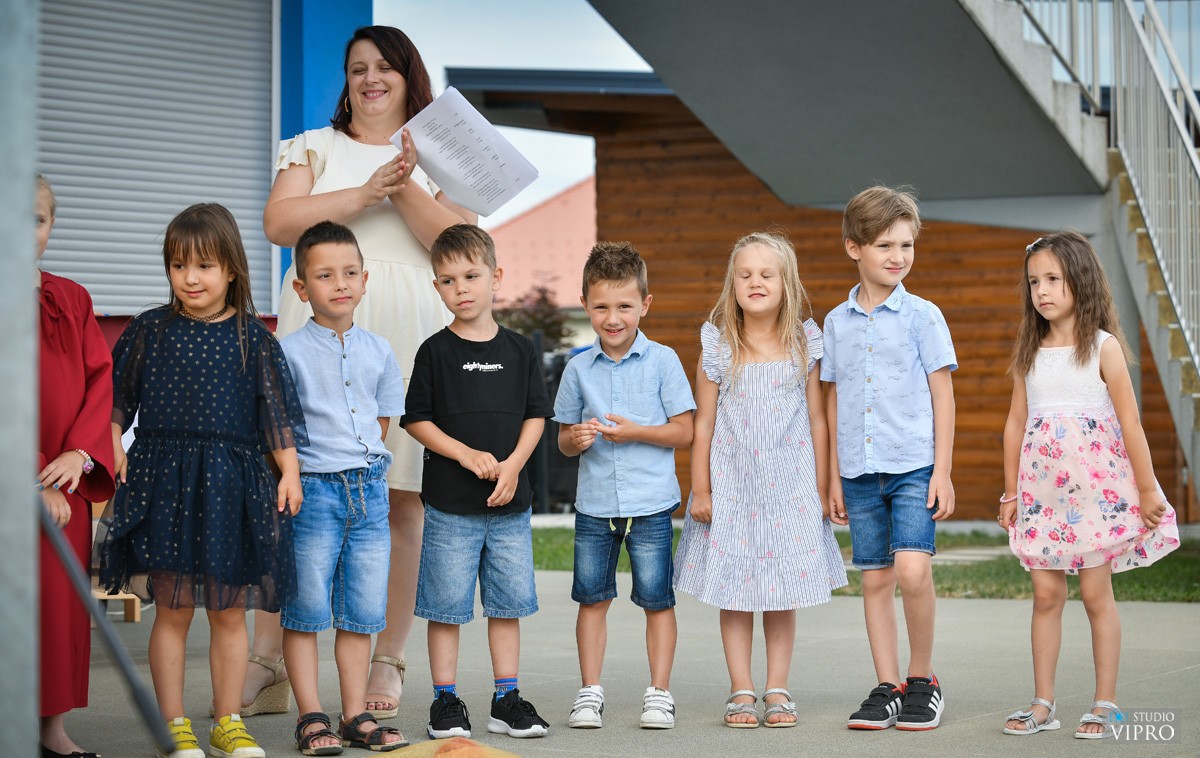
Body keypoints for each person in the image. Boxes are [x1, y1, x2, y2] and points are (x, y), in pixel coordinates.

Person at [260, 25, 476, 718]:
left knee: (400, 494)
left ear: (411, 77)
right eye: (358, 68)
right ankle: (268, 660)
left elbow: (460, 246)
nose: (370, 78)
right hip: (317, 332)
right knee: (291, 496)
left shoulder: (438, 153)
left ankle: (387, 658)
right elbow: (278, 221)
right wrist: (358, 195)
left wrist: (404, 182)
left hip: (410, 333)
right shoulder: (312, 147)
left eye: (385, 67)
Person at [97, 203, 307, 758]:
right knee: (172, 610)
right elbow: (117, 399)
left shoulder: (254, 340)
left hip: (230, 489)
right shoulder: (149, 329)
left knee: (228, 611)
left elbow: (276, 417)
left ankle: (229, 721)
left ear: (232, 270)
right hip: (163, 484)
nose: (191, 278)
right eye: (178, 265)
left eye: (205, 266)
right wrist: (112, 442)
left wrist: (289, 471)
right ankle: (174, 725)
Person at [999, 231, 1179, 738]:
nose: (1042, 291)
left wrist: (1147, 491)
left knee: (1097, 597)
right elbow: (1016, 423)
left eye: (1053, 279)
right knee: (1045, 596)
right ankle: (1042, 703)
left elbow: (1130, 423)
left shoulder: (1104, 348)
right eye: (1034, 281)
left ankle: (1105, 702)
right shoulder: (1029, 350)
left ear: (1080, 279)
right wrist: (1010, 492)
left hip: (1093, 497)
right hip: (1043, 497)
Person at [674, 232, 848, 728]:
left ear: (785, 282)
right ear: (732, 284)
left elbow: (818, 419)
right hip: (732, 487)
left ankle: (776, 687)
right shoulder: (717, 344)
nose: (755, 282)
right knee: (734, 591)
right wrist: (700, 488)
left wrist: (820, 486)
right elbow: (703, 423)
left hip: (790, 485)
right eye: (744, 274)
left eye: (766, 274)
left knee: (779, 591)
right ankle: (741, 689)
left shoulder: (804, 343)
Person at [400, 224, 552, 740]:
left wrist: (512, 466)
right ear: (437, 287)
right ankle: (445, 700)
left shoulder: (520, 350)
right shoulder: (434, 351)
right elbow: (416, 419)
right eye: (446, 280)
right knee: (446, 608)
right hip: (450, 507)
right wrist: (464, 454)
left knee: (507, 606)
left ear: (495, 277)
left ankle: (506, 698)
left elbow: (537, 415)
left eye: (471, 275)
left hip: (510, 505)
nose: (460, 288)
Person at [822, 186, 957, 731]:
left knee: (912, 569)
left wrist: (942, 471)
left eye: (906, 244)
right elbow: (832, 400)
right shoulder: (835, 322)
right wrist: (830, 475)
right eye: (884, 245)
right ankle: (889, 686)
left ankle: (923, 679)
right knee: (875, 578)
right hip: (857, 469)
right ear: (854, 248)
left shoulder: (924, 316)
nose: (898, 256)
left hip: (914, 466)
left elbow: (943, 395)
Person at [278, 221, 408, 753]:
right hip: (313, 492)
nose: (341, 283)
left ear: (365, 279)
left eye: (350, 273)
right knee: (306, 607)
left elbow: (382, 423)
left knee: (361, 609)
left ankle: (354, 714)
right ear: (301, 288)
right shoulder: (285, 353)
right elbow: (279, 429)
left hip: (369, 492)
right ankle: (312, 714)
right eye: (325, 275)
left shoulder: (379, 350)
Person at [555, 243, 695, 731]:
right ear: (585, 304)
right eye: (601, 307)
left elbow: (685, 431)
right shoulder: (576, 369)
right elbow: (564, 443)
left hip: (651, 504)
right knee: (592, 599)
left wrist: (635, 430)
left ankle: (660, 693)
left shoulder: (663, 361)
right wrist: (574, 438)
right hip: (595, 506)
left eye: (624, 306)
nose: (612, 318)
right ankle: (589, 692)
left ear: (645, 305)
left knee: (657, 599)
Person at [35, 175, 116, 758]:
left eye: (36, 219)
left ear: (51, 226)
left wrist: (79, 455)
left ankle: (51, 728)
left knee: (60, 606)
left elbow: (98, 382)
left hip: (65, 481)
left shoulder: (72, 298)